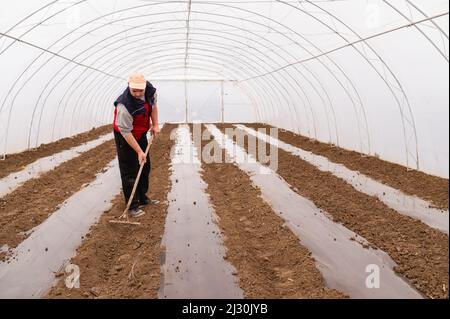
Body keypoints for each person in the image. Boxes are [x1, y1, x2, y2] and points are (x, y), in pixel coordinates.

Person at [112, 73, 160, 217]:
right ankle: (132, 206)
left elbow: (153, 107)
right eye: (134, 91)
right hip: (125, 136)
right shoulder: (124, 106)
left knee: (145, 166)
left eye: (140, 90)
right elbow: (126, 132)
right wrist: (139, 151)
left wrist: (156, 125)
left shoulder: (150, 91)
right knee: (129, 171)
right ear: (129, 86)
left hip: (140, 133)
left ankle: (143, 198)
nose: (138, 93)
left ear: (145, 86)